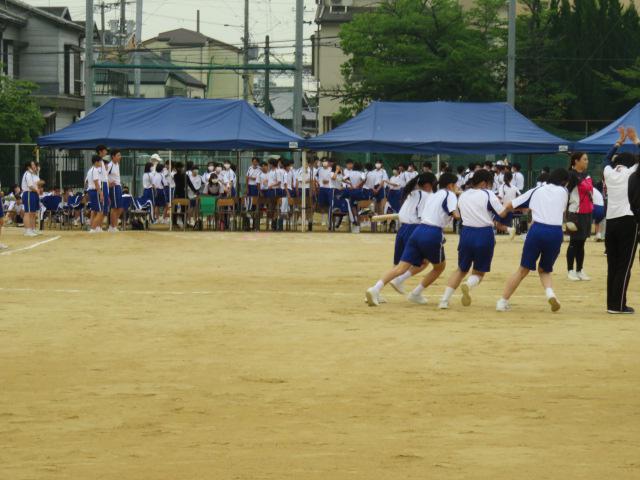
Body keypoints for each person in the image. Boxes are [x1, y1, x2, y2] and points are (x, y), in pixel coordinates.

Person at [365, 172, 459, 307]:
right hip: (425, 230)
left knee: (400, 266)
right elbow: (453, 214)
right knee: (435, 266)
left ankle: (375, 289)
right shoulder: (442, 195)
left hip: (414, 230)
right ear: (450, 185)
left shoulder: (420, 194)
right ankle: (414, 292)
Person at [496, 168, 570, 313]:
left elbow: (511, 205)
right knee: (545, 269)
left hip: (538, 230)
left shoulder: (537, 190)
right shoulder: (564, 192)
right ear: (563, 182)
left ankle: (502, 301)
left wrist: (503, 215)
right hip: (555, 233)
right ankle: (550, 294)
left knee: (523, 269)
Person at [438, 170, 511, 310]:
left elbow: (458, 214)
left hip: (466, 233)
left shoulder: (463, 195)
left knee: (460, 269)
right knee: (479, 272)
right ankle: (469, 284)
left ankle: (444, 300)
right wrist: (509, 206)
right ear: (484, 183)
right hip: (484, 233)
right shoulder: (488, 194)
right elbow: (501, 212)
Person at [604, 126, 639, 314]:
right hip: (627, 220)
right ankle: (619, 305)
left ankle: (611, 304)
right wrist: (636, 141)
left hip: (611, 222)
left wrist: (619, 142)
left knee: (613, 264)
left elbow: (606, 159)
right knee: (624, 265)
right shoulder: (631, 173)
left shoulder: (609, 173)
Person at [387, 172, 437, 294]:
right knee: (424, 262)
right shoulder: (426, 196)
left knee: (397, 265)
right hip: (414, 229)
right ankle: (399, 280)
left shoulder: (411, 193)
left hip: (403, 229)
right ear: (428, 185)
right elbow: (422, 218)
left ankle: (377, 290)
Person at [566, 152, 594, 281]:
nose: (587, 161)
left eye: (587, 159)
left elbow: (589, 188)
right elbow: (565, 193)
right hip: (575, 213)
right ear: (576, 161)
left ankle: (580, 269)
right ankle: (570, 270)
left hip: (587, 212)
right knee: (573, 242)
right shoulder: (570, 175)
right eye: (584, 159)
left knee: (582, 243)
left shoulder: (586, 175)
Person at [21, 161, 42, 237]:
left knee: (33, 212)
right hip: (29, 193)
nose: (34, 166)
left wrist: (38, 189)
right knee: (28, 212)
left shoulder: (32, 174)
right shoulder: (28, 174)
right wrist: (37, 190)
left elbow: (36, 184)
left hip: (33, 193)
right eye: (33, 164)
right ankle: (27, 230)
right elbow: (30, 186)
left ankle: (32, 229)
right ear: (28, 167)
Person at [87, 155, 107, 233]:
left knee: (94, 210)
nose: (101, 163)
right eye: (100, 162)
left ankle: (95, 228)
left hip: (91, 191)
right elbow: (96, 183)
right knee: (100, 211)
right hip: (95, 191)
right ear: (96, 162)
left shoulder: (90, 170)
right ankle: (93, 228)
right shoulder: (95, 170)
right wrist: (101, 193)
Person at [495, 170, 519, 237]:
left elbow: (500, 197)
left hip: (503, 209)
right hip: (511, 209)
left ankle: (510, 229)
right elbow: (519, 196)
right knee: (497, 224)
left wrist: (493, 197)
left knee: (497, 225)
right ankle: (510, 230)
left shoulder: (502, 187)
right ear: (511, 179)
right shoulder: (514, 187)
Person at [108, 149, 124, 232]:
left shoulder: (117, 164)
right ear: (113, 156)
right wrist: (108, 184)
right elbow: (103, 175)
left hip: (118, 187)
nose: (120, 157)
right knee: (114, 208)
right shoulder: (110, 165)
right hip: (113, 188)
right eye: (118, 155)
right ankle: (112, 226)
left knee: (120, 207)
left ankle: (113, 225)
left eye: (120, 155)